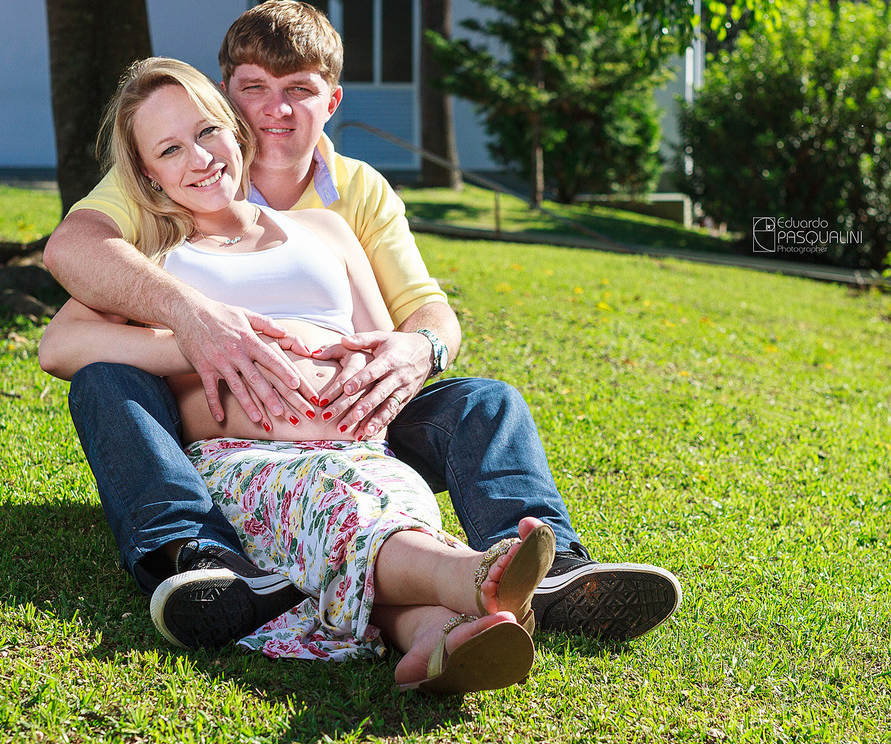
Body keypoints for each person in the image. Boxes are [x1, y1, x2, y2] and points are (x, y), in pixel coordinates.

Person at [41, 0, 681, 648]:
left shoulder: (338, 214)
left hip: (357, 438)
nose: (273, 110)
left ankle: (543, 575)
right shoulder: (151, 237)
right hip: (245, 447)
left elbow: (409, 316)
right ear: (151, 170)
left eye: (297, 90)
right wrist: (196, 332)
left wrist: (414, 351)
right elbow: (66, 306)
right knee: (111, 382)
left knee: (486, 403)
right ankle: (204, 553)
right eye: (255, 89)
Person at [39, 57, 559, 694]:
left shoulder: (327, 229)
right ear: (148, 173)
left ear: (234, 129)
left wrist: (378, 361)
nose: (199, 158)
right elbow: (60, 346)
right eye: (170, 150)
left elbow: (379, 342)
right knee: (342, 511)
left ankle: (431, 634)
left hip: (360, 451)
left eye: (207, 132)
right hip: (247, 462)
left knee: (377, 508)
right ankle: (471, 576)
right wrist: (201, 342)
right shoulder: (152, 259)